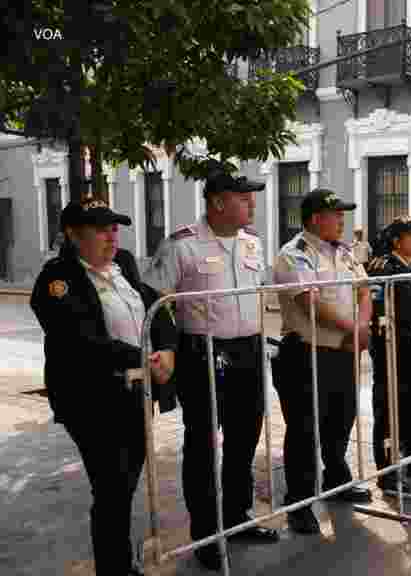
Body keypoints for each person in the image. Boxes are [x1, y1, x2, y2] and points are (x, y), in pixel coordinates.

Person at [31, 198, 178, 575]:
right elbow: (80, 341)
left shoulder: (123, 264)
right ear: (72, 234)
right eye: (100, 229)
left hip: (135, 395)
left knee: (125, 484)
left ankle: (119, 562)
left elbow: (156, 309)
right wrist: (141, 357)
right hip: (93, 401)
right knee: (112, 487)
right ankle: (115, 568)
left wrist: (166, 350)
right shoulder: (56, 279)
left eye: (114, 227)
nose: (111, 236)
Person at [142, 167, 278, 570]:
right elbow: (156, 299)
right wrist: (166, 348)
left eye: (251, 196)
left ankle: (237, 517)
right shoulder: (182, 245)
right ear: (218, 202)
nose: (252, 203)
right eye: (243, 197)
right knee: (203, 444)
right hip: (202, 351)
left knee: (245, 435)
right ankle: (205, 532)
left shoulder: (252, 243)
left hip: (249, 350)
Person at [271, 189, 373, 536]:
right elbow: (309, 303)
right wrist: (353, 327)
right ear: (316, 219)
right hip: (306, 351)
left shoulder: (344, 252)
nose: (342, 220)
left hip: (342, 350)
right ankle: (299, 503)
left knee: (341, 417)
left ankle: (336, 480)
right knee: (304, 428)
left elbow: (364, 289)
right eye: (336, 214)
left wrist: (362, 326)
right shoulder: (294, 254)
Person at [366, 218, 411, 492]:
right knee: (389, 408)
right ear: (396, 241)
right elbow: (378, 314)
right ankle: (388, 471)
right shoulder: (384, 268)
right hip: (392, 349)